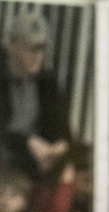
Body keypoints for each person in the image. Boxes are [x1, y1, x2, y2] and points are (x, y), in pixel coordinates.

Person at [0, 9, 71, 179]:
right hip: (10, 152)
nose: (38, 56)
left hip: (37, 156)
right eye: (31, 49)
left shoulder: (46, 82)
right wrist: (27, 142)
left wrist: (60, 145)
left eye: (41, 49)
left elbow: (62, 127)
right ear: (11, 45)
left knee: (71, 168)